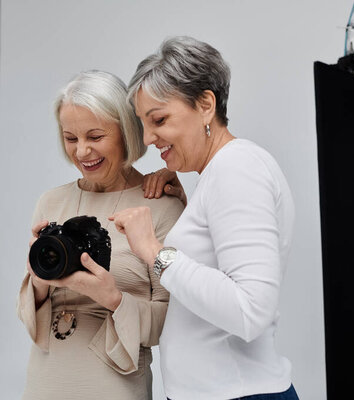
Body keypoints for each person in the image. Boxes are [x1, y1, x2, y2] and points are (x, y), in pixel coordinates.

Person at [110, 36, 300, 400]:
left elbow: (249, 311)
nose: (148, 138)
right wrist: (189, 205)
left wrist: (154, 250)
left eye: (159, 120)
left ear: (205, 104)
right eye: (143, 124)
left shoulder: (237, 169)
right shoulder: (220, 173)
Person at [17, 70, 184, 400]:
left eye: (95, 137)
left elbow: (171, 322)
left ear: (126, 132)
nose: (81, 152)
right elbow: (29, 312)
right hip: (45, 378)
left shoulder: (161, 207)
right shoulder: (51, 202)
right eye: (71, 138)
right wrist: (38, 277)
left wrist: (113, 298)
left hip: (114, 383)